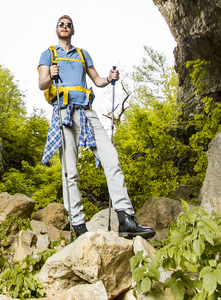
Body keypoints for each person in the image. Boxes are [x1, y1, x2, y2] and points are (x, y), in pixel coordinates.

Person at [38, 14, 155, 239]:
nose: (64, 27)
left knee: (111, 158)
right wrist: (51, 75)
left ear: (73, 30)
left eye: (68, 25)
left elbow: (97, 80)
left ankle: (126, 218)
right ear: (56, 30)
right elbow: (41, 83)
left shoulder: (83, 54)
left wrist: (110, 78)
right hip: (64, 111)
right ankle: (79, 225)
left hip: (87, 112)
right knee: (69, 170)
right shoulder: (49, 54)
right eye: (61, 24)